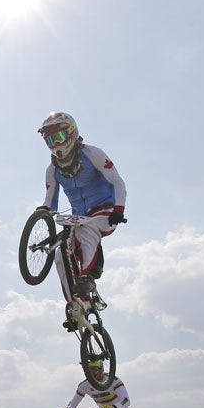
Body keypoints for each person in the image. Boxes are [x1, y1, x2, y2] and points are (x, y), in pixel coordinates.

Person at [35, 112, 127, 312]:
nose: (56, 144)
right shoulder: (52, 170)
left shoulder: (93, 154)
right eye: (50, 140)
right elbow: (49, 203)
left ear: (71, 133)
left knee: (88, 228)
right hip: (79, 218)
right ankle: (76, 303)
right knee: (60, 253)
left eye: (59, 137)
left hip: (106, 210)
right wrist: (42, 213)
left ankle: (87, 277)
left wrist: (119, 208)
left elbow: (117, 181)